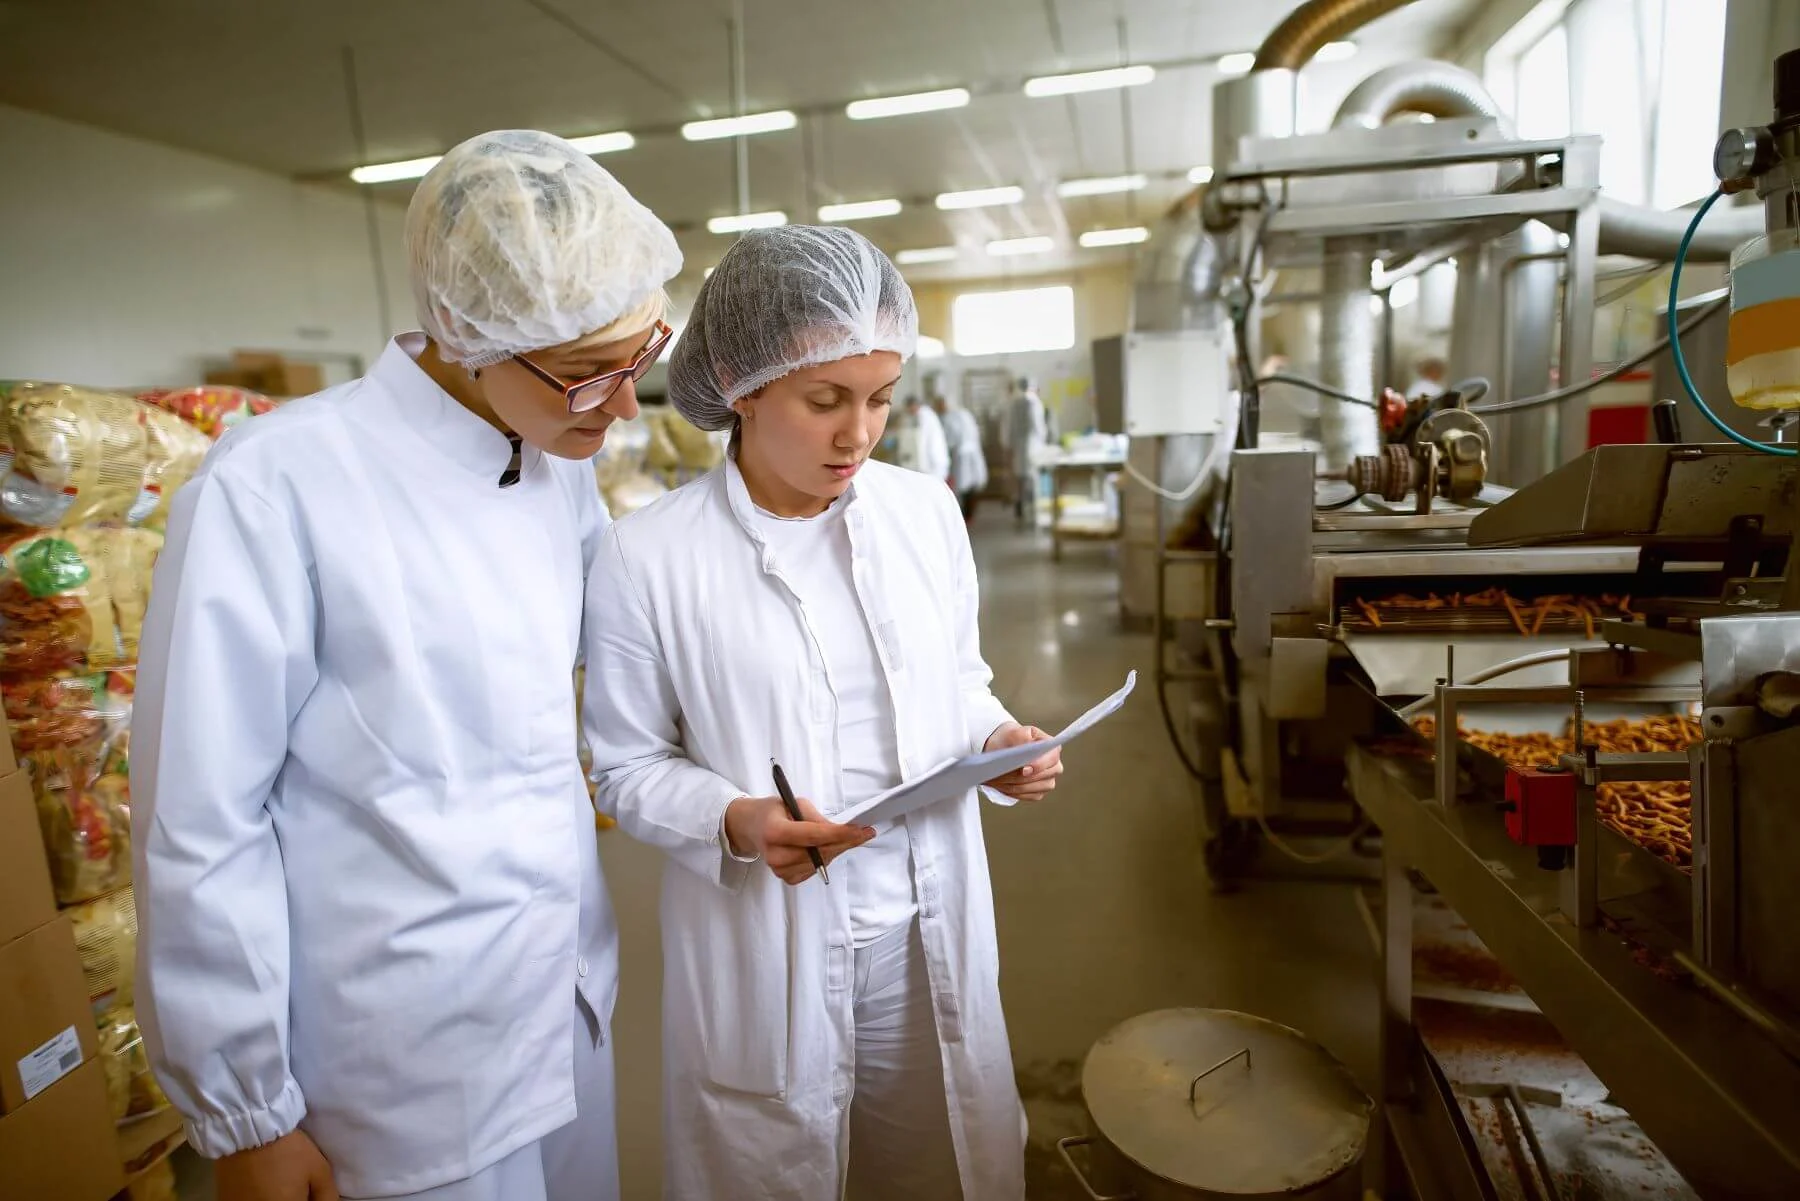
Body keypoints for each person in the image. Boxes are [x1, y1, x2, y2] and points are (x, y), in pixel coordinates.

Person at [133, 130, 682, 1201]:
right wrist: (246, 1113)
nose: (622, 410)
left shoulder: (551, 461)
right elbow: (198, 819)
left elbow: (601, 654)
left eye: (639, 358)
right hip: (402, 1065)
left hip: (565, 1006)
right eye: (587, 375)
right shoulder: (279, 486)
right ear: (470, 336)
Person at [583, 225, 1063, 1201]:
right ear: (743, 386)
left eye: (880, 398)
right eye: (826, 400)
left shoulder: (925, 513)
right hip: (771, 944)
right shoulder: (646, 558)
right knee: (770, 1166)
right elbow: (624, 765)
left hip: (927, 924)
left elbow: (960, 679)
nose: (860, 433)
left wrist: (999, 740)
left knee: (935, 1165)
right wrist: (737, 820)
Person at [935, 393, 987, 522]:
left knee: (961, 486)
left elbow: (949, 438)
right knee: (970, 485)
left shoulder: (949, 417)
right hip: (972, 452)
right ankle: (969, 514)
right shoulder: (964, 413)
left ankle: (965, 515)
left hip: (961, 454)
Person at [1008, 375, 1048, 526]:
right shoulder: (1034, 403)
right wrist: (1043, 440)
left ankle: (1020, 504)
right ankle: (1033, 505)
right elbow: (1038, 425)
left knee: (1020, 476)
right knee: (1032, 476)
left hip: (1019, 444)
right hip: (1032, 443)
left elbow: (1010, 426)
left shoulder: (1015, 403)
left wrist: (1009, 444)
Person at [903, 393, 949, 483]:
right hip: (935, 461)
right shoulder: (925, 414)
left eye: (909, 408)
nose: (908, 412)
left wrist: (920, 466)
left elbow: (922, 441)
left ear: (913, 405)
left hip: (934, 462)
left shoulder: (924, 415)